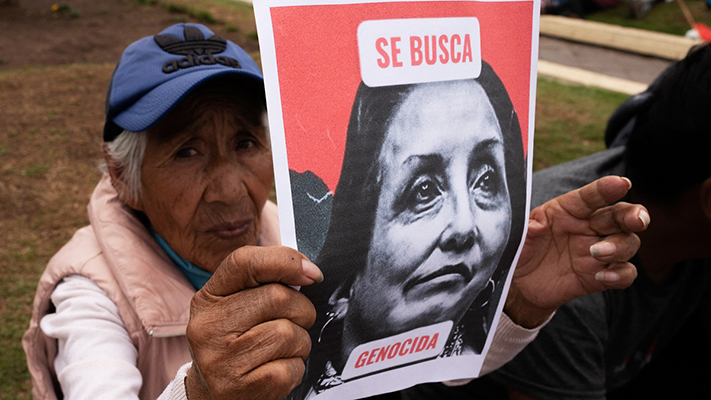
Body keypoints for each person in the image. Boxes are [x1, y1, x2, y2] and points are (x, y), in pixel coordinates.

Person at [22, 22, 648, 400]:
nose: (231, 189)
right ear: (122, 179)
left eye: (245, 143)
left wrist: (512, 307)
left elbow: (411, 361)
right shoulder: (88, 297)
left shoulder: (292, 236)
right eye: (186, 152)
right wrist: (202, 393)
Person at [399, 42, 711, 400]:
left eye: (485, 178)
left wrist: (521, 309)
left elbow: (457, 369)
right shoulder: (571, 268)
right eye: (424, 190)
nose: (463, 226)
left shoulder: (552, 265)